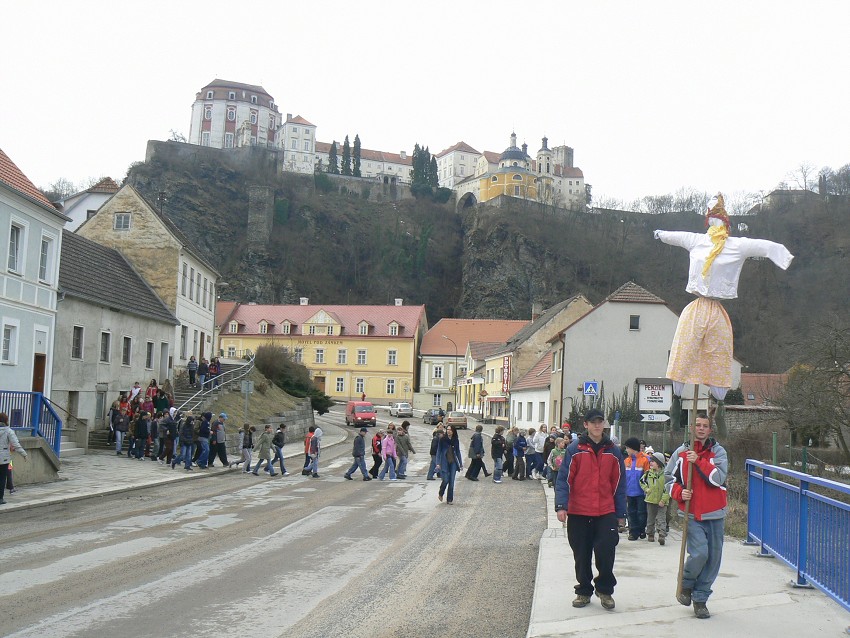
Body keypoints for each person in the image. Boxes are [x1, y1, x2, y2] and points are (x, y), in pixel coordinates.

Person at [555, 409, 626, 611]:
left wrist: (621, 514)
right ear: (585, 425)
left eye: (600, 422)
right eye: (593, 422)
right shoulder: (575, 449)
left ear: (604, 424)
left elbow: (620, 484)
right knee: (582, 554)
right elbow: (564, 479)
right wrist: (562, 506)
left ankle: (604, 590)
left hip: (605, 512)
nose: (597, 425)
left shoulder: (614, 451)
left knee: (606, 553)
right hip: (579, 512)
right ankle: (584, 590)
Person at [665, 413, 728, 619]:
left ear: (710, 430)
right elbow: (667, 479)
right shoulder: (681, 452)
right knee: (700, 554)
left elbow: (718, 478)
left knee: (713, 560)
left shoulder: (718, 452)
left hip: (715, 513)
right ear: (692, 427)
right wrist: (678, 493)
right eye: (698, 425)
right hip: (690, 513)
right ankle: (686, 584)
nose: (701, 429)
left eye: (705, 426)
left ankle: (700, 599)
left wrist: (699, 460)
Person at [641, 451, 670, 545]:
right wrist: (646, 489)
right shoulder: (648, 473)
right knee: (650, 518)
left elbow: (668, 489)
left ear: (659, 463)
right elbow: (642, 481)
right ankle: (650, 534)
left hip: (662, 502)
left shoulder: (666, 475)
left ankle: (662, 535)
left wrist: (663, 500)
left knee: (661, 518)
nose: (651, 463)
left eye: (653, 461)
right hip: (650, 500)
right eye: (651, 461)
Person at [624, 437, 650, 540]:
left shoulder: (645, 459)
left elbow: (648, 476)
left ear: (633, 448)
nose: (626, 450)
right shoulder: (626, 461)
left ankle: (641, 529)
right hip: (629, 492)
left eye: (627, 448)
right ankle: (633, 532)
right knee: (631, 512)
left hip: (641, 492)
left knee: (641, 512)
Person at [0, 412, 28, 505]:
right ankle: (0, 498)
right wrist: (24, 454)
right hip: (4, 459)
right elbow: (16, 444)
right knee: (2, 478)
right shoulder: (9, 431)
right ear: (6, 421)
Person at [435, 424, 463, 504]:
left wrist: (460, 463)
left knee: (452, 481)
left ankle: (449, 499)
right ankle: (441, 493)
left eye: (450, 430)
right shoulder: (442, 439)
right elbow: (438, 451)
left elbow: (458, 452)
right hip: (444, 462)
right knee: (446, 480)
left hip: (453, 462)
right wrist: (438, 463)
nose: (448, 431)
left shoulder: (455, 440)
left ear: (453, 431)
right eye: (447, 429)